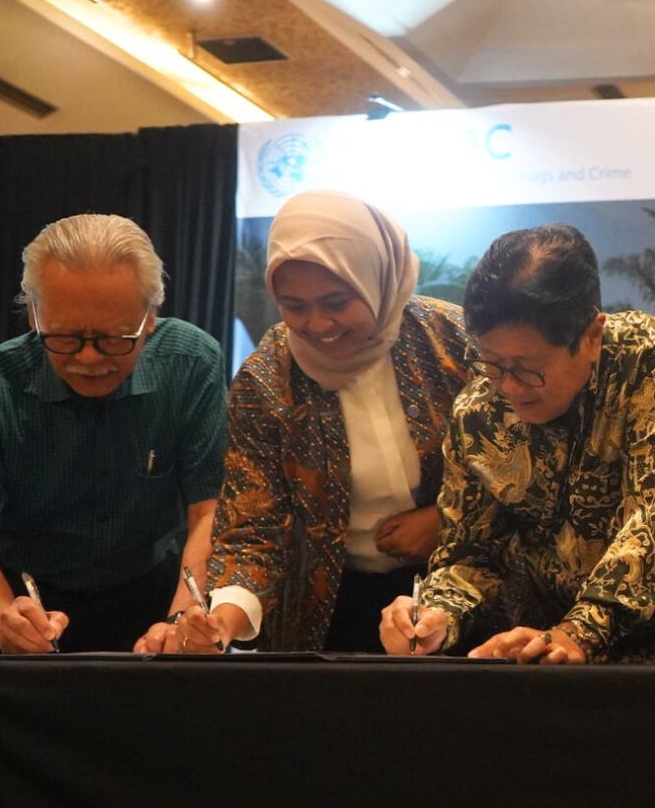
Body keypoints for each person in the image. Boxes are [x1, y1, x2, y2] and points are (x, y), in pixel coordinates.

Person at [163, 190, 470, 654]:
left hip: (457, 592)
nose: (318, 323)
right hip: (325, 607)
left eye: (337, 300)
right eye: (295, 306)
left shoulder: (453, 343)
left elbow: (513, 476)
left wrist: (446, 521)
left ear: (376, 280)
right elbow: (252, 526)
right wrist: (222, 617)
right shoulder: (266, 379)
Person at [378, 223, 655, 663]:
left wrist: (577, 634)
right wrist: (436, 616)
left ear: (591, 336)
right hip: (534, 654)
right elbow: (469, 558)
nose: (507, 387)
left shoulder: (651, 360)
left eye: (527, 368)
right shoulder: (478, 412)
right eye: (491, 363)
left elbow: (649, 519)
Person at [0, 214, 227, 655]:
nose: (89, 358)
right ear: (34, 314)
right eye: (65, 337)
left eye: (113, 338)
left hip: (149, 599)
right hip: (15, 599)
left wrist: (182, 620)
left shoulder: (192, 363)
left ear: (150, 319)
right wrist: (4, 624)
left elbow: (209, 513)